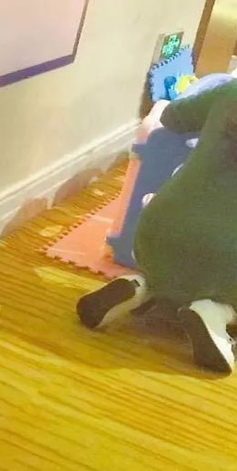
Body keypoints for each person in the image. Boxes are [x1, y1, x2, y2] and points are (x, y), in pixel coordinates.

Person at [78, 81, 237, 373]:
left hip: (158, 231)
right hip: (227, 257)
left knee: (168, 269)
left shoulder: (230, 91)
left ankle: (142, 286)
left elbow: (171, 116)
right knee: (224, 279)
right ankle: (216, 311)